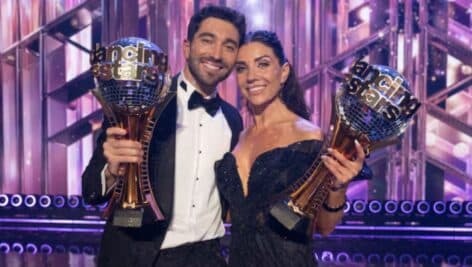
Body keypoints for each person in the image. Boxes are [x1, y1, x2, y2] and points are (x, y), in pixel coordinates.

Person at [82, 5, 246, 267]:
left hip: (206, 259)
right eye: (207, 40)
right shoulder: (140, 98)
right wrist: (111, 171)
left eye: (229, 45)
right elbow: (91, 190)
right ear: (187, 46)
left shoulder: (233, 120)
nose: (216, 54)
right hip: (138, 257)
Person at [215, 30, 370, 267]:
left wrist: (338, 187)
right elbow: (235, 215)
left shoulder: (307, 136)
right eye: (242, 68)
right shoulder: (236, 137)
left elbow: (325, 227)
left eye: (263, 64)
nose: (251, 76)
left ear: (284, 72)